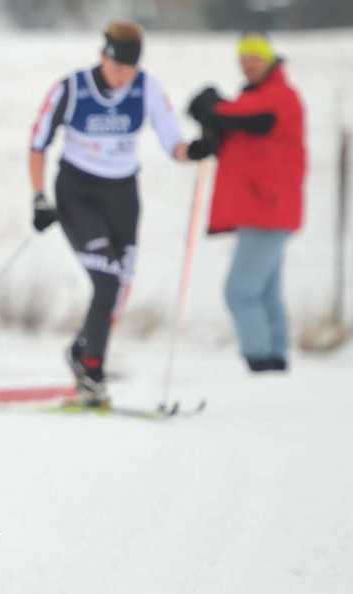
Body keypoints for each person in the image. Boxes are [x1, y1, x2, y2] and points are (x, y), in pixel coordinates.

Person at [29, 21, 209, 405]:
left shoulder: (147, 88)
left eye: (129, 69)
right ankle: (93, 370)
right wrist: (39, 197)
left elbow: (173, 142)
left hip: (123, 195)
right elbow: (38, 141)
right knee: (107, 279)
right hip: (77, 193)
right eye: (116, 68)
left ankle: (81, 349)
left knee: (121, 287)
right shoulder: (72, 87)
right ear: (103, 56)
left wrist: (195, 150)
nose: (123, 76)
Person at [187, 32, 306, 373]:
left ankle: (260, 360)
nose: (249, 64)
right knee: (265, 291)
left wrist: (211, 109)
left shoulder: (280, 97)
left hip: (268, 210)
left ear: (270, 59)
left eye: (255, 58)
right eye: (244, 59)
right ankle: (276, 359)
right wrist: (210, 120)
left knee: (239, 292)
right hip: (261, 210)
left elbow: (243, 118)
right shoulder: (254, 98)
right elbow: (231, 124)